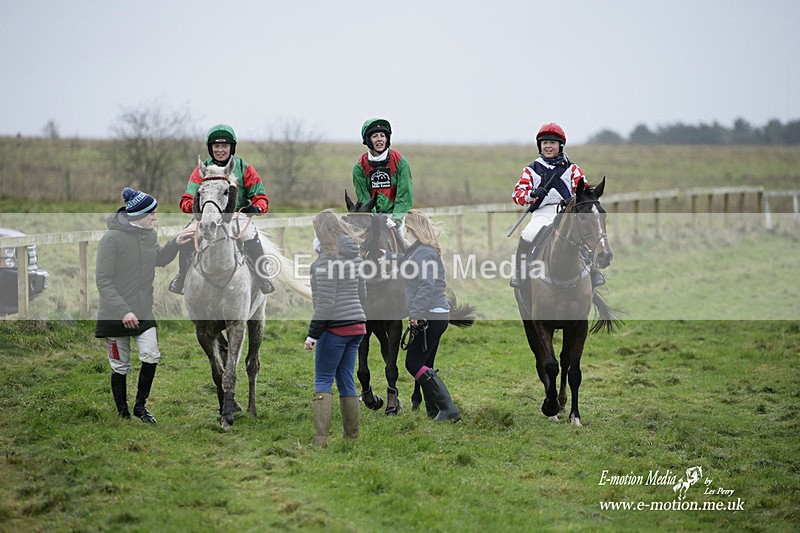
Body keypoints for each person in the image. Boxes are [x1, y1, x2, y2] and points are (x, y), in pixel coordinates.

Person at [95, 187, 194, 423]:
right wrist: (123, 311)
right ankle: (123, 413)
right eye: (152, 214)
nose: (155, 217)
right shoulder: (110, 239)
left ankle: (140, 407)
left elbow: (158, 259)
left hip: (143, 311)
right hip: (114, 315)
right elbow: (103, 281)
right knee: (120, 366)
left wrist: (176, 243)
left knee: (151, 355)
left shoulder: (148, 235)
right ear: (138, 215)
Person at [170, 123, 274, 295]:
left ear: (231, 147)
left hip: (236, 215)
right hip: (206, 214)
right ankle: (181, 277)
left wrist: (256, 208)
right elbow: (186, 199)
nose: (220, 150)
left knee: (252, 237)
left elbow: (261, 197)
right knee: (187, 235)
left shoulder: (243, 167)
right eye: (216, 146)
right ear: (210, 148)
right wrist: (194, 206)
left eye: (224, 146)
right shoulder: (201, 170)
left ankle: (263, 277)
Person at [509, 122, 605, 289]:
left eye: (552, 143)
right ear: (540, 145)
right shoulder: (531, 170)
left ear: (560, 145)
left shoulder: (573, 169)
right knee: (527, 234)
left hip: (567, 214)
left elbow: (585, 195)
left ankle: (594, 272)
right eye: (545, 143)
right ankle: (520, 273)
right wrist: (532, 194)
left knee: (583, 235)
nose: (548, 146)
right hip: (541, 214)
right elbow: (517, 195)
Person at [303, 211, 367, 447]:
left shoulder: (324, 262)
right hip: (357, 326)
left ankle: (320, 441)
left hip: (336, 329)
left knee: (323, 379)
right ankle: (351, 439)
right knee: (346, 379)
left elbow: (326, 304)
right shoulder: (355, 256)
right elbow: (363, 293)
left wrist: (313, 335)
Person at [399, 209, 461, 423]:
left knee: (413, 364)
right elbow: (404, 262)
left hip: (430, 315)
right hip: (435, 314)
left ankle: (449, 409)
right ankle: (433, 410)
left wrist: (415, 312)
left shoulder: (423, 253)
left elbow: (427, 284)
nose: (402, 231)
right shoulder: (418, 251)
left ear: (410, 228)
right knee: (426, 362)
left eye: (403, 227)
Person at [352, 118, 413, 227]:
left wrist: (396, 219)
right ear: (368, 140)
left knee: (406, 242)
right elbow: (364, 198)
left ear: (387, 138)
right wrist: (376, 219)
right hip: (372, 219)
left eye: (382, 135)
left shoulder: (400, 162)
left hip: (397, 218)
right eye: (375, 136)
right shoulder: (359, 167)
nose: (379, 139)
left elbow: (404, 195)